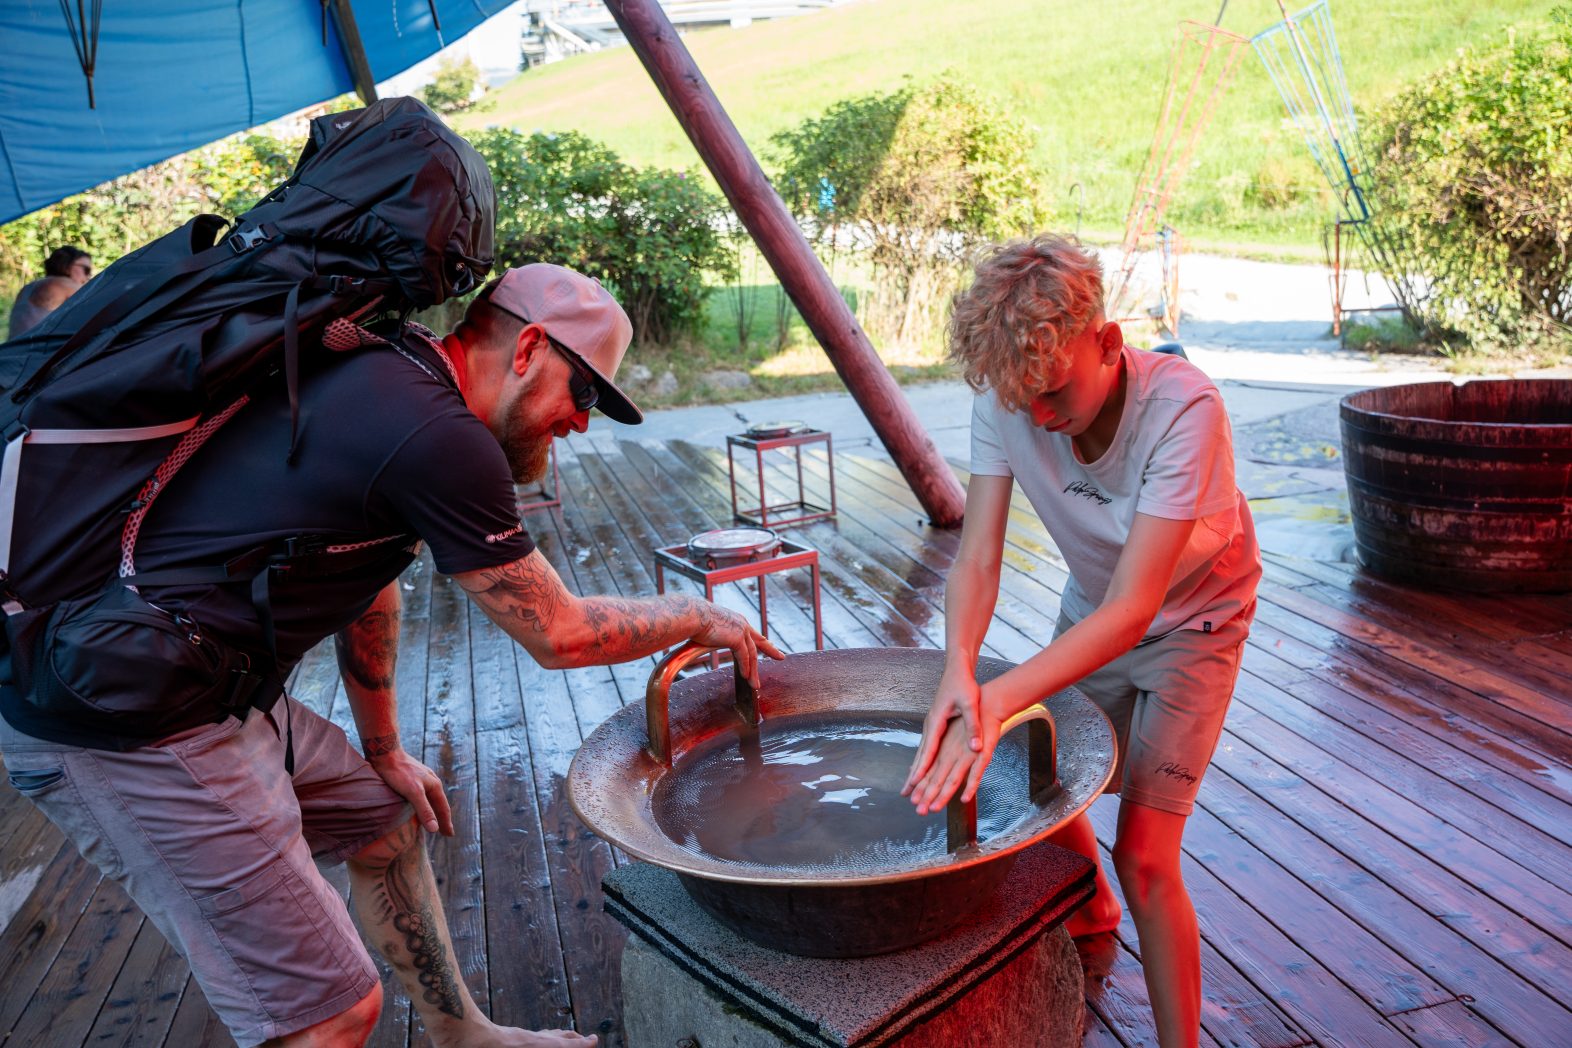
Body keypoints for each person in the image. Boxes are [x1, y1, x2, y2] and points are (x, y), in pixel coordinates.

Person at [0, 263, 782, 1048]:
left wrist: (385, 749)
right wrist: (695, 612)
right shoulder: (437, 433)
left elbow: (367, 580)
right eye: (583, 395)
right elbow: (561, 633)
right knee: (331, 1014)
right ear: (530, 347)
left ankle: (465, 1037)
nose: (582, 423)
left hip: (209, 684)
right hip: (124, 722)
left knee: (384, 822)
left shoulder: (395, 370)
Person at [902, 234, 1260, 1048]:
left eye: (1054, 391)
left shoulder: (1185, 411)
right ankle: (1090, 902)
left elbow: (1138, 610)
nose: (1037, 417)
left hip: (1195, 620)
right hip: (1095, 601)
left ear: (1107, 342)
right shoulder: (1012, 394)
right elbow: (979, 555)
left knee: (1145, 854)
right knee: (1042, 774)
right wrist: (960, 667)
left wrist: (998, 697)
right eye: (1020, 397)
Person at [7, 245, 93, 338]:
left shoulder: (27, 287)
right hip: (37, 350)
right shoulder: (65, 284)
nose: (88, 277)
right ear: (67, 266)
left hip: (13, 349)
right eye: (86, 270)